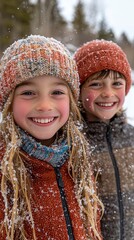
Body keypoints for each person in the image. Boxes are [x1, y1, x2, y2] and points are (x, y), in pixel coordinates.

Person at [0, 35, 103, 240]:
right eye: (29, 92)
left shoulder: (80, 159)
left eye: (56, 91)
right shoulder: (4, 171)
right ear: (8, 102)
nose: (45, 105)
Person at [74, 39, 134, 240]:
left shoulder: (132, 137)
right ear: (79, 89)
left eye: (116, 83)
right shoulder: (72, 143)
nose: (108, 93)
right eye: (96, 84)